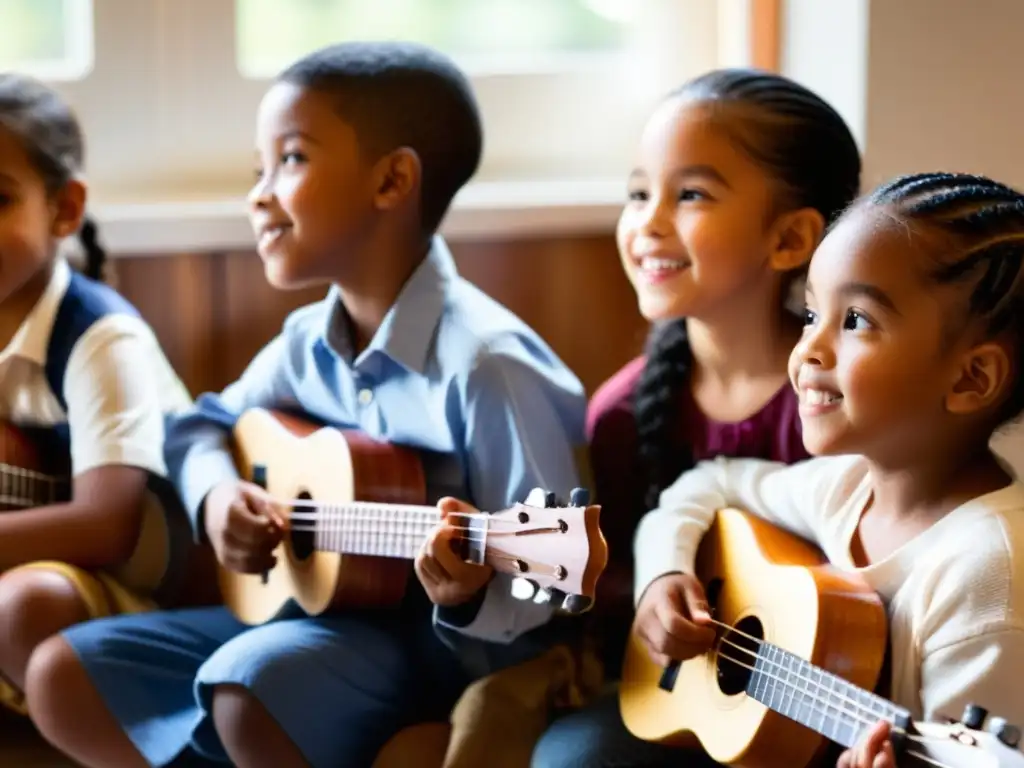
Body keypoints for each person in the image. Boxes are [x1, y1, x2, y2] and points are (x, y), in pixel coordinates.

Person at [25, 41, 587, 768]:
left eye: (289, 160)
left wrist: (470, 591)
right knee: (63, 674)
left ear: (391, 181)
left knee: (251, 683)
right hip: (312, 617)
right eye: (259, 168)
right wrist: (219, 495)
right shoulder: (305, 343)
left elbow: (547, 582)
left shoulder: (487, 367)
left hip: (442, 653)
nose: (259, 193)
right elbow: (198, 426)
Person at [632, 172, 1024, 768]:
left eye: (857, 321)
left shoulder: (986, 581)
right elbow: (707, 483)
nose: (808, 349)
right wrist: (663, 574)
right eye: (813, 313)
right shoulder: (844, 487)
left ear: (971, 379)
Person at [532, 69, 860, 767]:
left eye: (689, 195)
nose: (647, 222)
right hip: (686, 704)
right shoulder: (622, 415)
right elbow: (610, 600)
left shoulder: (843, 406)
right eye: (638, 193)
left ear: (790, 238)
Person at [0, 74, 193, 715]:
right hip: (41, 560)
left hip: (154, 588)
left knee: (25, 608)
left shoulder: (100, 337)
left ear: (64, 209)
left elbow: (106, 527)